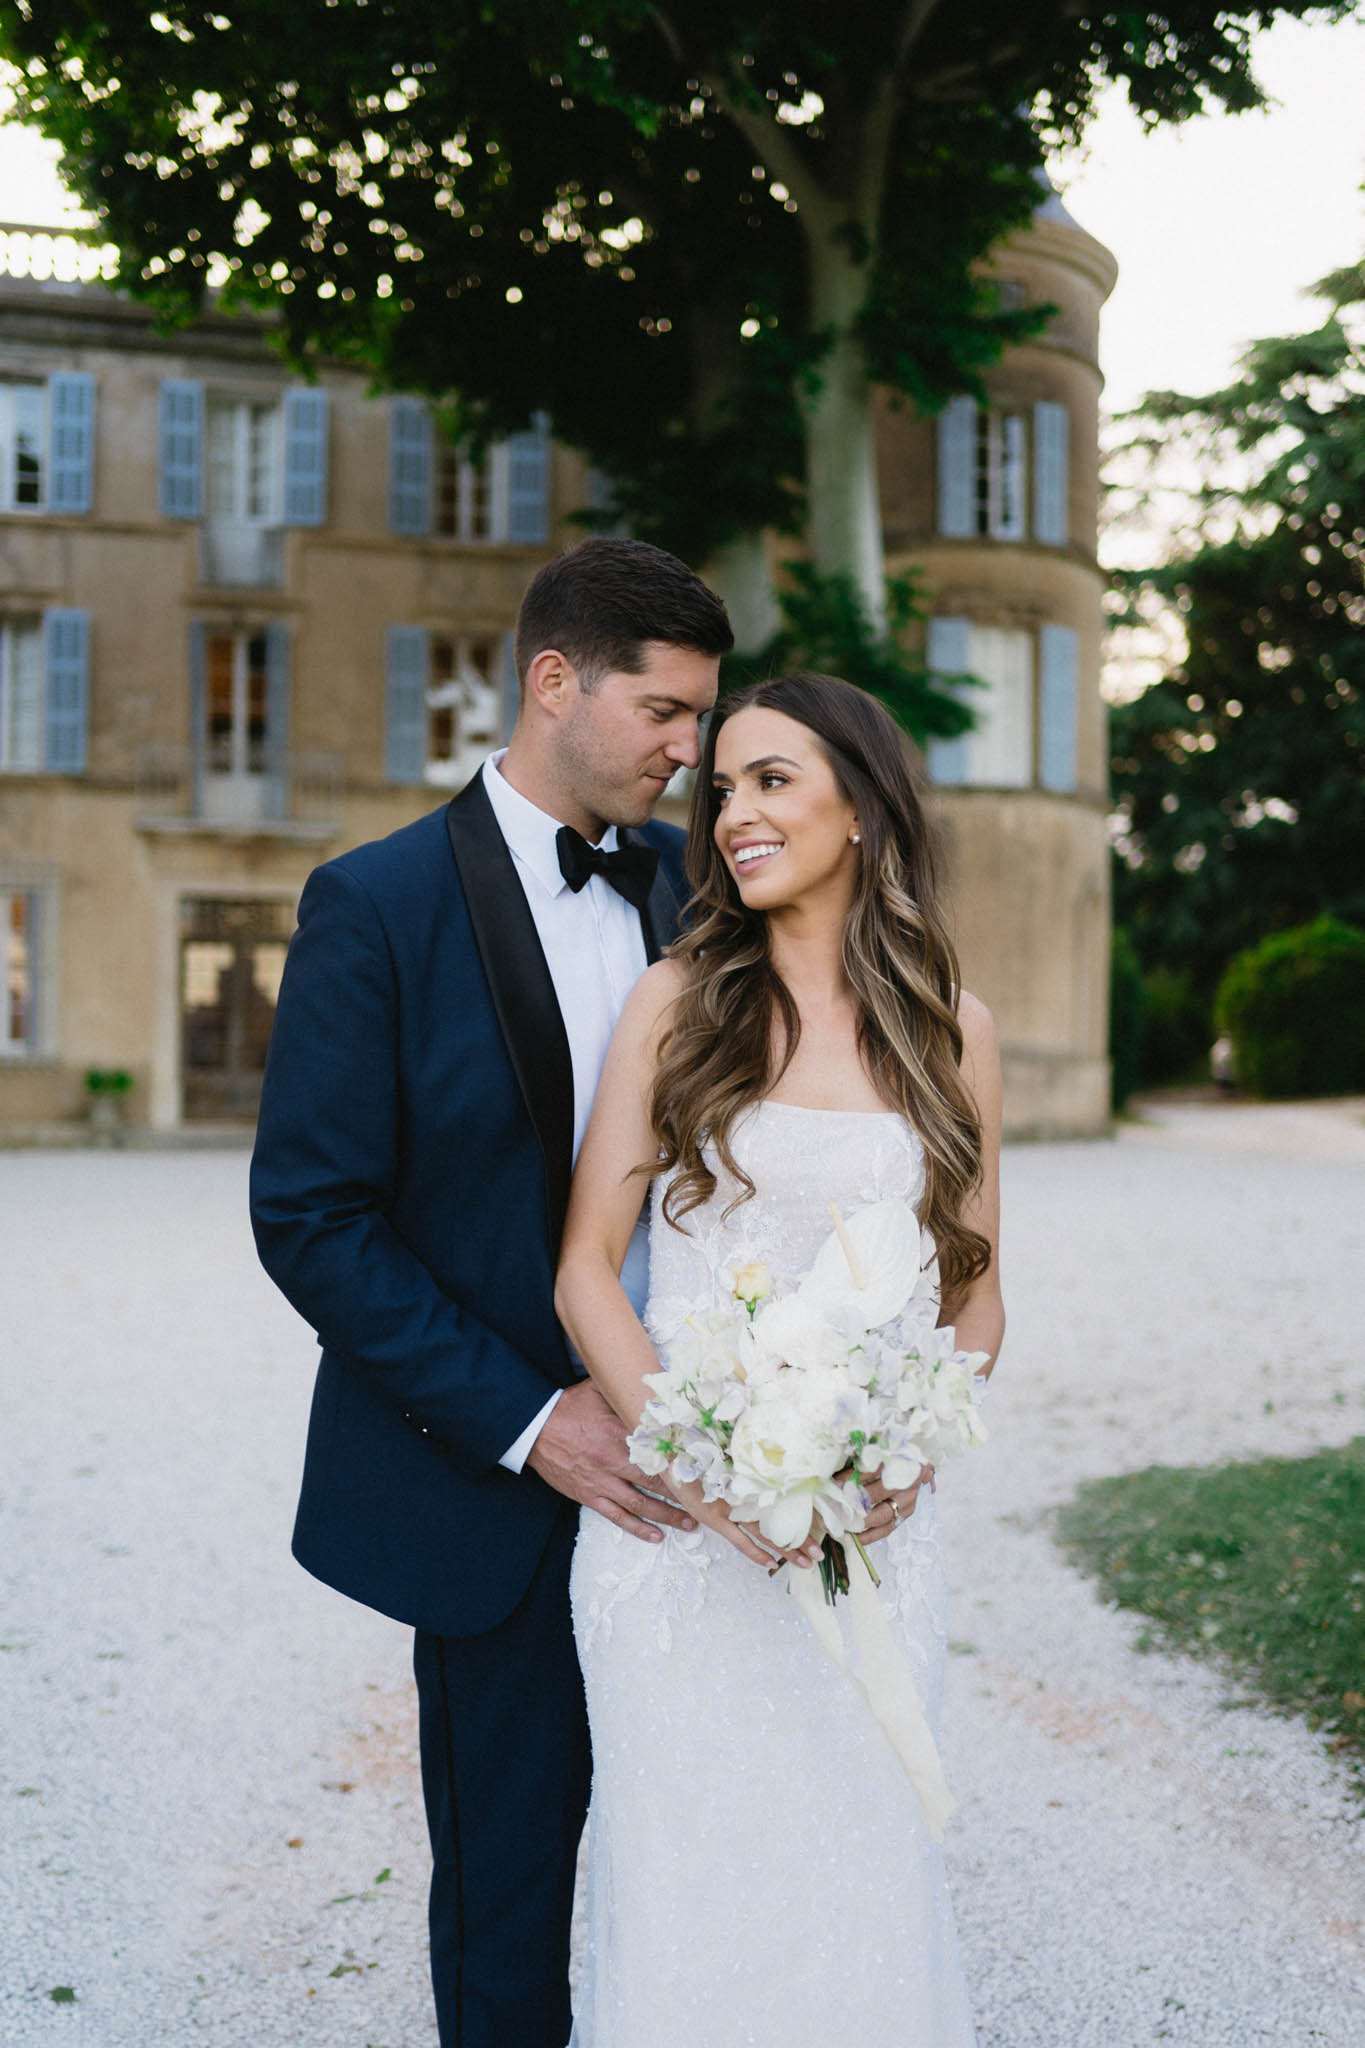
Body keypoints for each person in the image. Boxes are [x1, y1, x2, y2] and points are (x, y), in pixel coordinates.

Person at [248, 535, 733, 2048]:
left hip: (715, 1465)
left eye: (702, 716)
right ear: (553, 682)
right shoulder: (374, 903)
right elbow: (312, 1217)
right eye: (664, 710)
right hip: (499, 1488)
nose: (691, 751)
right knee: (510, 1895)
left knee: (710, 1865)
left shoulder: (709, 896)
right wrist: (533, 1422)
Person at [556, 671, 1005, 2046]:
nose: (732, 814)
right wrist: (706, 1476)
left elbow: (976, 1296)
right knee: (686, 1900)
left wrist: (906, 1452)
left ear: (859, 807)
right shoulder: (676, 1003)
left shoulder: (952, 1027)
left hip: (872, 1539)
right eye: (720, 790)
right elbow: (586, 1271)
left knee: (858, 1889)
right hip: (681, 1555)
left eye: (770, 781)